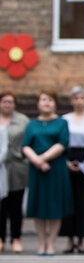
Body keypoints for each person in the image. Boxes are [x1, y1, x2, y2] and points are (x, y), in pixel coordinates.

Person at [21, 90, 73, 256]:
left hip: (55, 168)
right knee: (39, 205)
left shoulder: (61, 123)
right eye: (43, 100)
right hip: (36, 169)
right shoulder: (32, 124)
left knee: (54, 205)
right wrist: (36, 160)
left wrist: (43, 158)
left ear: (55, 103)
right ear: (38, 103)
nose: (46, 103)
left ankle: (51, 243)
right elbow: (25, 145)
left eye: (50, 100)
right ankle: (41, 242)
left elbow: (63, 143)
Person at [59, 86, 84, 254]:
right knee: (68, 201)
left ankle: (82, 239)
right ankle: (69, 239)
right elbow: (60, 142)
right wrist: (66, 162)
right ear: (71, 101)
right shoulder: (64, 119)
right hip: (67, 157)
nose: (79, 102)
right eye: (76, 98)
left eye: (82, 98)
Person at [0, 91, 29, 253]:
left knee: (16, 205)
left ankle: (16, 238)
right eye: (4, 101)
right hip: (0, 168)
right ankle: (1, 238)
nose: (7, 105)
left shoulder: (22, 121)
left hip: (17, 166)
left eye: (10, 102)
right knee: (1, 206)